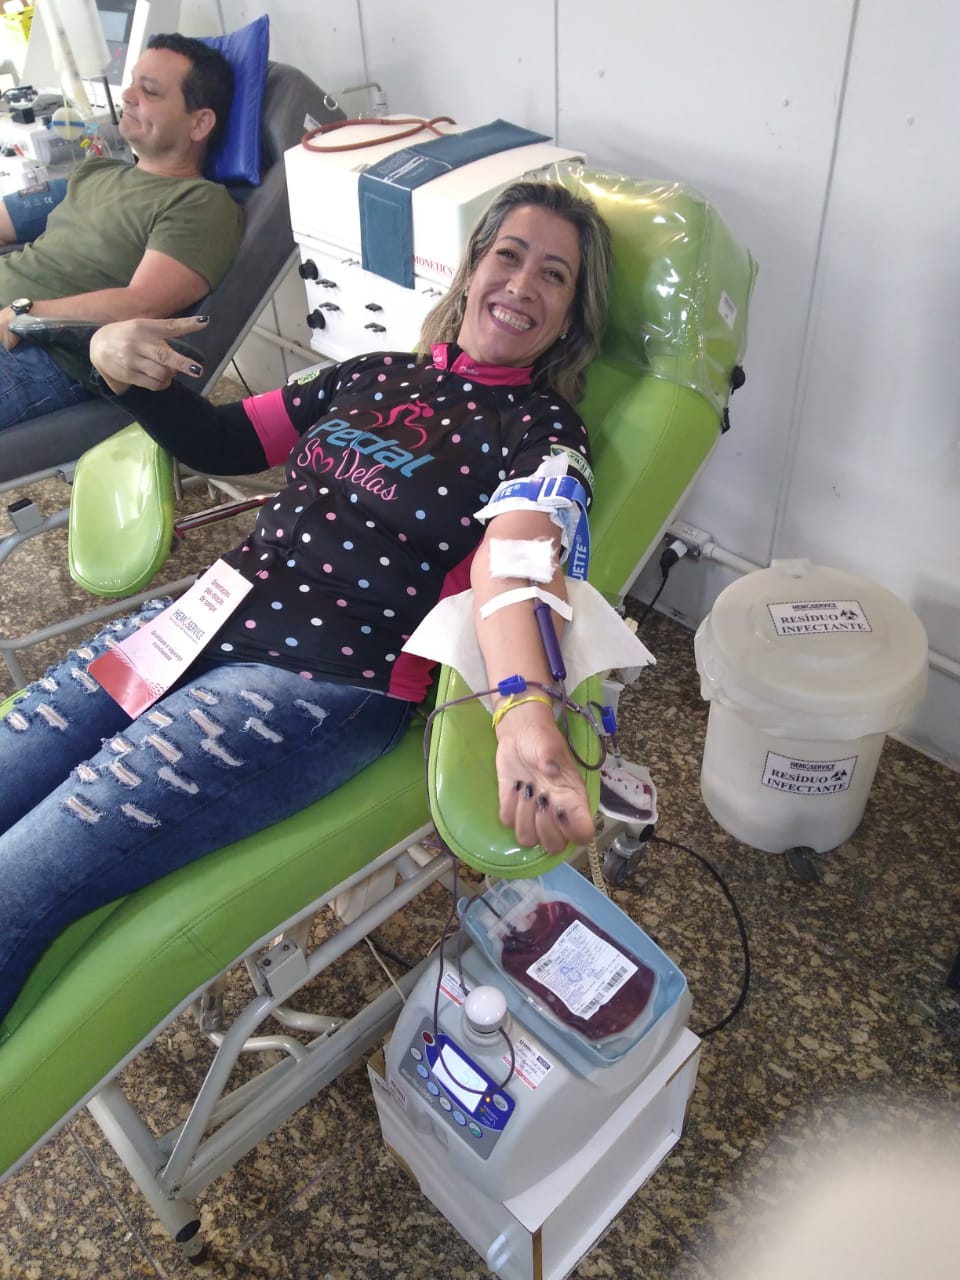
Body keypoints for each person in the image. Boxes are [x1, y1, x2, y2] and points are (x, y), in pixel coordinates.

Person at [0, 179, 613, 1025]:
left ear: (571, 319)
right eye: (508, 256)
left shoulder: (542, 432)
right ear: (472, 269)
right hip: (199, 619)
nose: (521, 285)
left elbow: (514, 566)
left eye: (554, 275)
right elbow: (226, 439)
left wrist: (524, 712)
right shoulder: (373, 373)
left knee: (21, 876)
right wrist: (117, 366)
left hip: (314, 681)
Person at [0, 33, 242, 430]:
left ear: (199, 123)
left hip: (41, 349)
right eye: (131, 82)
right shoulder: (96, 171)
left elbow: (143, 303)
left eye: (150, 91)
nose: (128, 96)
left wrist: (22, 314)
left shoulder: (199, 201)